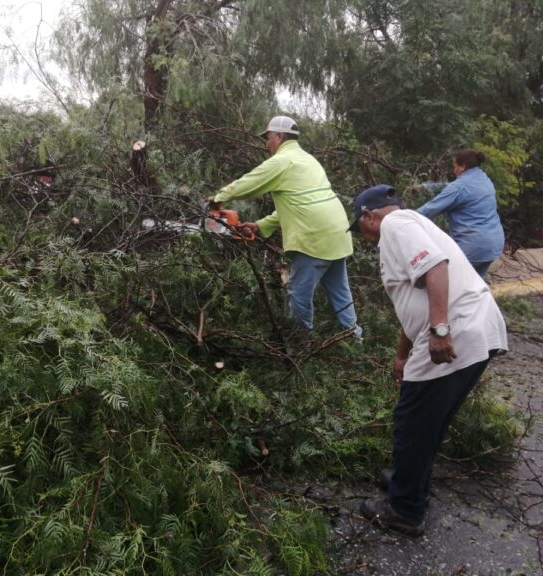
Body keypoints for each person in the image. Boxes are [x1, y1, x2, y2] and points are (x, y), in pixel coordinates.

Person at [349, 184, 508, 535]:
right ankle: (409, 481)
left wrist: (439, 330)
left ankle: (405, 509)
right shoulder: (412, 224)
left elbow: (436, 268)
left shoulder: (395, 226)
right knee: (429, 420)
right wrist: (401, 355)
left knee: (412, 420)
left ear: (369, 216)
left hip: (455, 331)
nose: (360, 236)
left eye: (357, 226)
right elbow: (415, 300)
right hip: (477, 327)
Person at [209, 115, 361, 335]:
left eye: (268, 137)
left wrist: (218, 198)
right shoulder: (307, 159)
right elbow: (300, 204)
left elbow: (251, 181)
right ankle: (354, 339)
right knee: (341, 295)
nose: (266, 143)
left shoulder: (282, 160)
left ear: (279, 136)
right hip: (337, 233)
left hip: (314, 237)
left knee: (299, 295)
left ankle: (301, 346)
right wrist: (260, 225)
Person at [417, 149, 505, 278]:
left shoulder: (459, 187)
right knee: (474, 286)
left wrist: (402, 218)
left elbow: (430, 209)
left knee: (445, 280)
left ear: (463, 166)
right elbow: (452, 187)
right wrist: (426, 187)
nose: (454, 170)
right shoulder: (483, 179)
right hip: (494, 243)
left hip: (473, 245)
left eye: (455, 166)